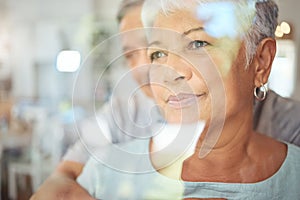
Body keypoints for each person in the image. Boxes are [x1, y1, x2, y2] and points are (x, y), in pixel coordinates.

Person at [77, 0, 300, 199]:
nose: (169, 72)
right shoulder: (104, 175)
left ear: (261, 62)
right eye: (158, 54)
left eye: (198, 44)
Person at [30, 0, 155, 199]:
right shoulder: (122, 112)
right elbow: (64, 173)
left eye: (154, 47)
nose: (143, 66)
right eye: (131, 54)